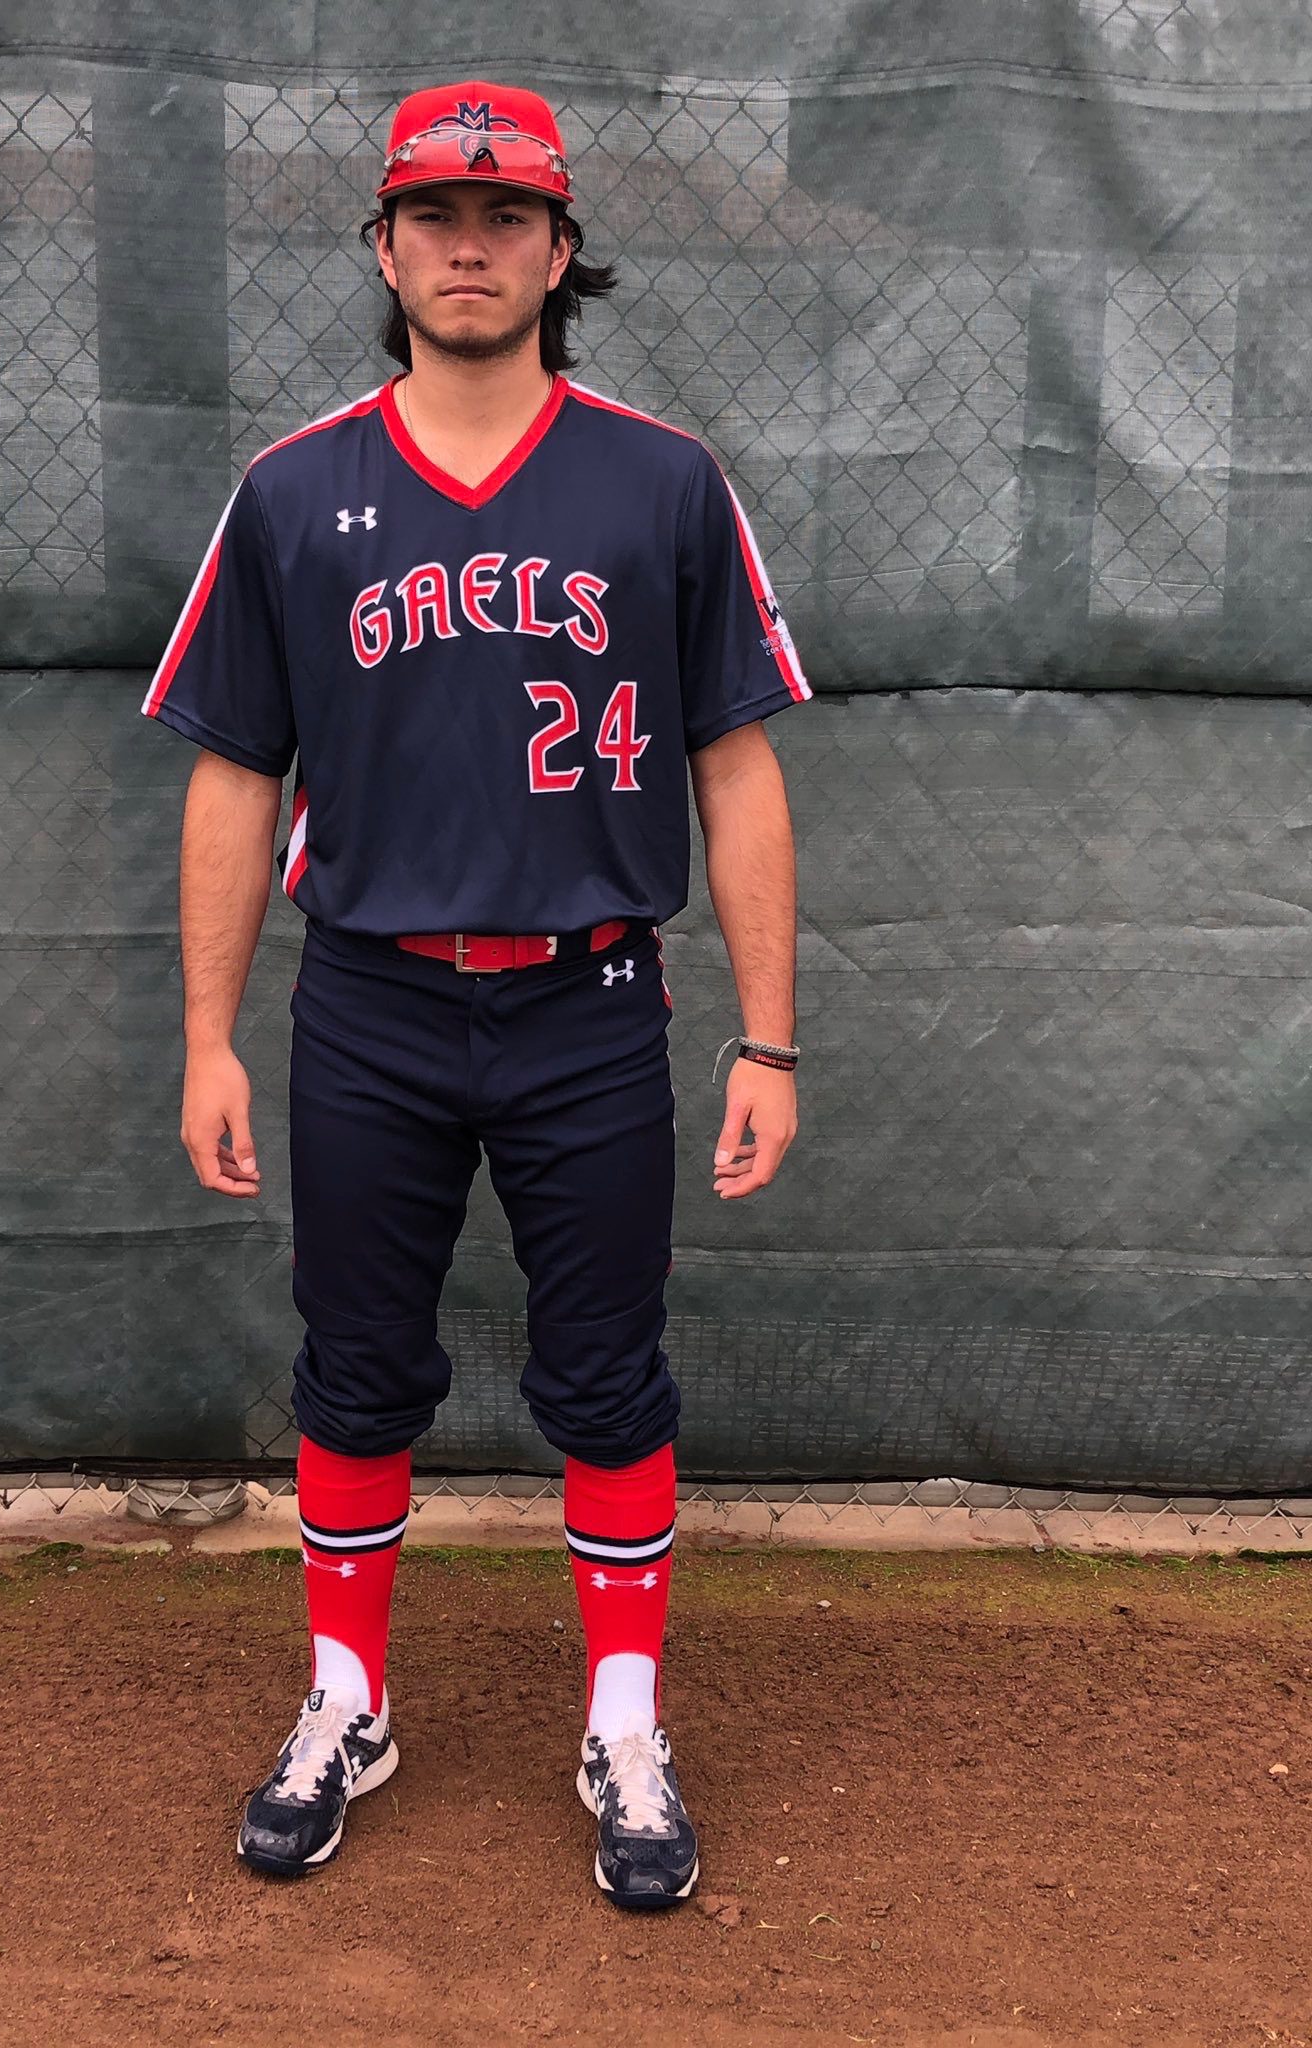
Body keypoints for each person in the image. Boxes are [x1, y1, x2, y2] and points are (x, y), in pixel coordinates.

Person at [141, 78, 810, 1910]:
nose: (467, 242)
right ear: (381, 244)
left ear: (561, 250)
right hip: (367, 1001)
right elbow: (230, 771)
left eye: (505, 216)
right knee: (357, 1367)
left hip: (593, 1003)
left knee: (608, 1376)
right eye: (434, 213)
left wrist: (769, 1031)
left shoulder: (661, 481)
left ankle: (622, 1716)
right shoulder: (293, 489)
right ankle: (347, 1695)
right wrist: (207, 1035)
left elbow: (735, 766)